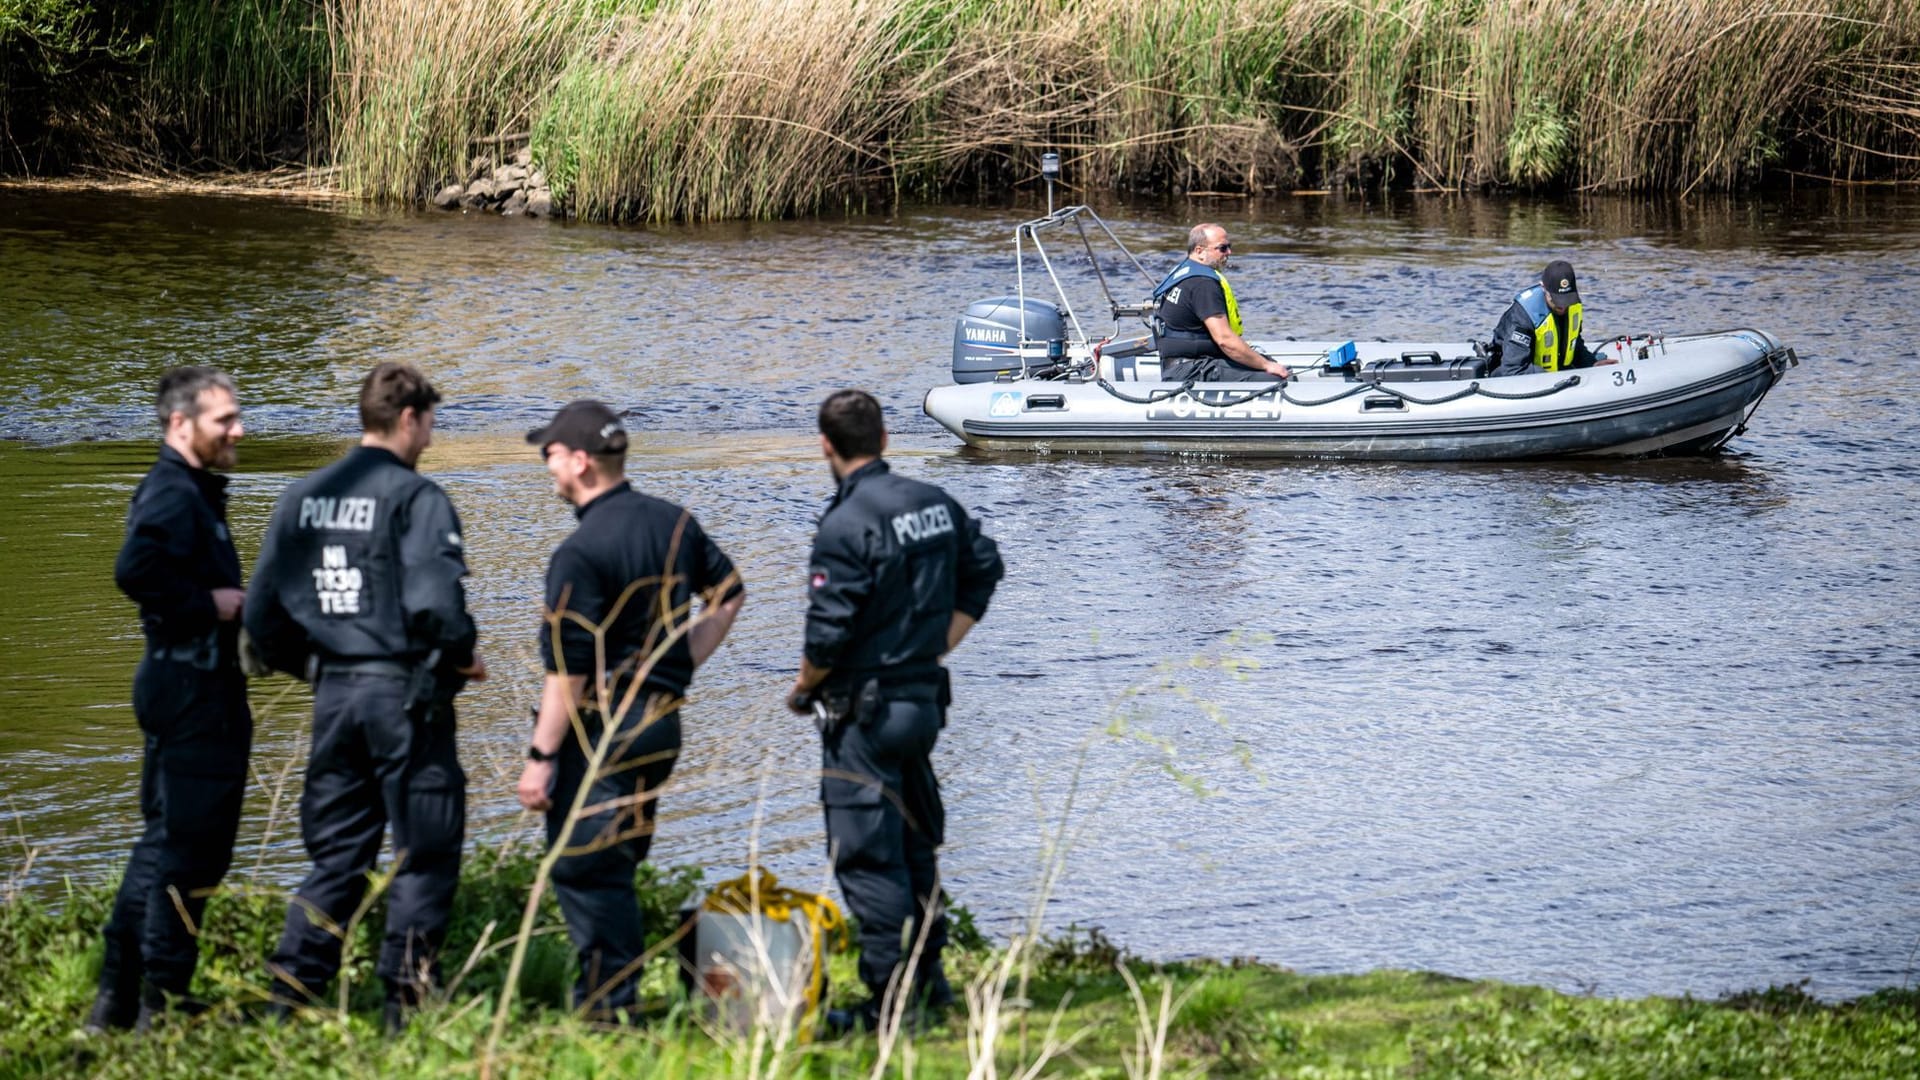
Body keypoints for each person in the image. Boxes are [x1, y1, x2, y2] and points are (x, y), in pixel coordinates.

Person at [243, 362, 484, 1031]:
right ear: (409, 418)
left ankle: (288, 997)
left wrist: (321, 668)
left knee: (338, 855)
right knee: (425, 849)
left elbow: (262, 619)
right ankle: (404, 1009)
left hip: (336, 698)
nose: (431, 440)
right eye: (430, 424)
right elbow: (439, 605)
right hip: (406, 700)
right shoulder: (417, 498)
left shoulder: (301, 497)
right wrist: (462, 657)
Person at [515, 400, 744, 1019]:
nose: (548, 466)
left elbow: (566, 673)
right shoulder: (674, 523)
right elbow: (728, 594)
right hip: (661, 725)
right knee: (618, 858)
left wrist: (540, 758)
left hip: (604, 734)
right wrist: (679, 664)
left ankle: (608, 1013)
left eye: (552, 455)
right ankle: (616, 999)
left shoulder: (580, 552)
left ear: (582, 462)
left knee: (586, 868)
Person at [786, 390, 1003, 1035]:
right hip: (922, 702)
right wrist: (938, 646)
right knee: (914, 843)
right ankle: (928, 981)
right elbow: (984, 569)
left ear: (827, 446)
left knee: (867, 853)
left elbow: (827, 634)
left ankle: (889, 1004)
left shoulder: (844, 524)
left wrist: (802, 689)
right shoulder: (931, 502)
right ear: (883, 437)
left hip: (867, 713)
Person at [87, 367, 252, 1033]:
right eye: (225, 421)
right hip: (191, 689)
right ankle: (162, 1004)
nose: (239, 429)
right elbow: (134, 568)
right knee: (189, 850)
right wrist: (206, 604)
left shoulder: (190, 490)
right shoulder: (173, 492)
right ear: (181, 425)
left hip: (181, 680)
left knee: (165, 843)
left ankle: (117, 1002)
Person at [1150, 223, 1292, 383]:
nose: (1229, 252)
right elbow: (1225, 340)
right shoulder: (1202, 283)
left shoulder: (1184, 270)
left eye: (1229, 247)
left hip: (1180, 363)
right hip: (1192, 369)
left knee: (1268, 364)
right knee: (1277, 378)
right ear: (1199, 251)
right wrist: (1266, 365)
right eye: (1222, 248)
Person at [1488, 259, 1604, 376]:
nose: (1562, 306)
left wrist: (1592, 364)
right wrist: (1555, 378)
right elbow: (1513, 370)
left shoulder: (1573, 306)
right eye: (1556, 299)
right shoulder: (1523, 316)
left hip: (1551, 373)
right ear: (1543, 287)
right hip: (1512, 373)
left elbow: (1574, 345)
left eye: (1566, 299)